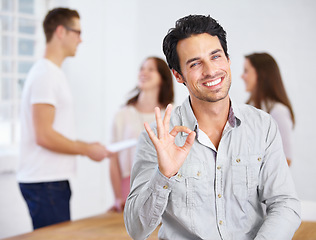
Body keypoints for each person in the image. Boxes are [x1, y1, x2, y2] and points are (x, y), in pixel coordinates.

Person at [124, 15, 301, 240]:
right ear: (178, 75)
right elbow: (136, 230)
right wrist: (164, 175)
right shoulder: (157, 138)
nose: (210, 71)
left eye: (216, 57)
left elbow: (285, 204)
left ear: (227, 59)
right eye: (195, 63)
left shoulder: (263, 126)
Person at [17, 8, 112, 230]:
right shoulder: (46, 75)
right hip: (45, 182)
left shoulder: (51, 74)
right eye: (77, 32)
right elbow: (44, 135)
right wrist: (87, 149)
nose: (81, 39)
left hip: (48, 182)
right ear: (61, 31)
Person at [109, 57, 174, 212]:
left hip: (161, 185)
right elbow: (113, 158)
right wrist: (118, 196)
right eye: (142, 68)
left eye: (151, 69)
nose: (144, 72)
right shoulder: (122, 114)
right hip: (129, 184)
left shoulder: (170, 115)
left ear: (162, 79)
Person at [241, 53, 295, 166]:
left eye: (246, 71)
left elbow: (286, 159)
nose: (242, 76)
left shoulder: (278, 111)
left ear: (261, 75)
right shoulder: (249, 109)